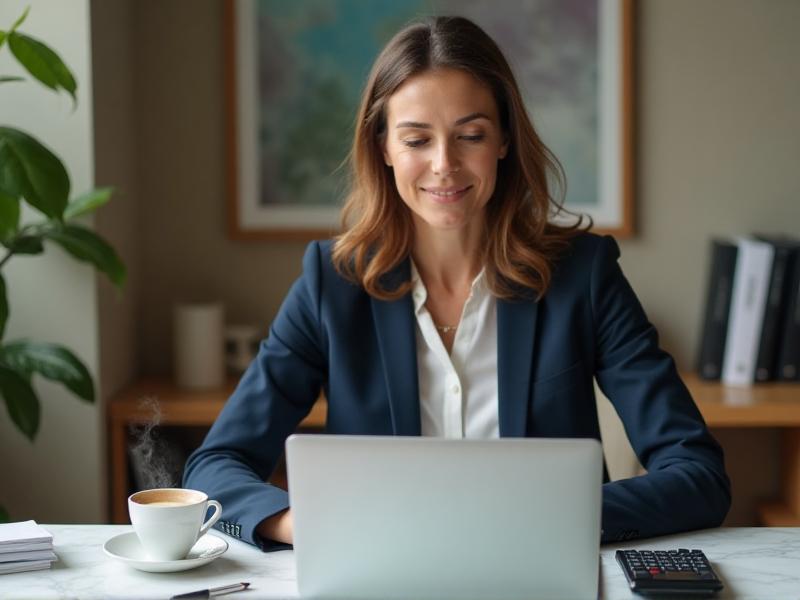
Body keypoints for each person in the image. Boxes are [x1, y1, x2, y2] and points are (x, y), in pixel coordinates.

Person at [184, 16, 730, 551]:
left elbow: (698, 474)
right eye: (417, 139)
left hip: (539, 571)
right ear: (384, 149)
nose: (444, 164)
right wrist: (298, 523)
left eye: (470, 135)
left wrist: (554, 518)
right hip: (381, 575)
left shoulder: (584, 275)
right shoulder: (332, 284)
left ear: (503, 142)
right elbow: (214, 466)